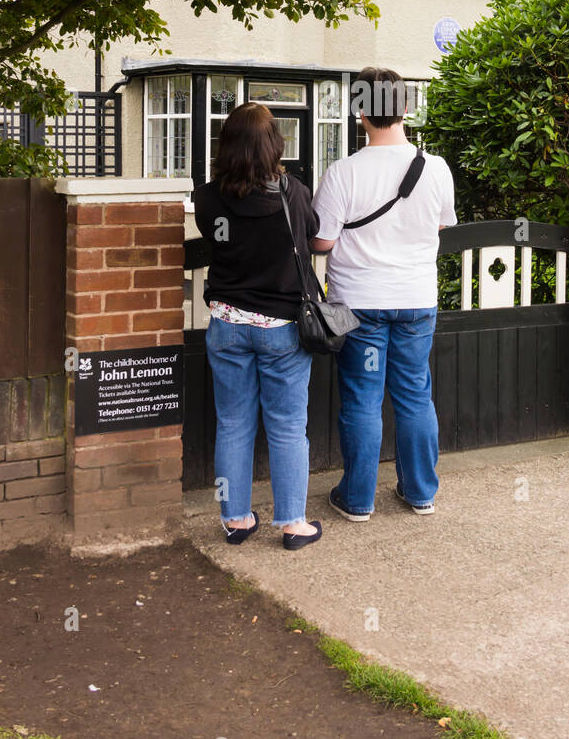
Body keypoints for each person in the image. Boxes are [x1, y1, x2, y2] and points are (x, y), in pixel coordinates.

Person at [311, 67, 457, 520]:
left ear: (360, 112)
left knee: (362, 397)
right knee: (414, 393)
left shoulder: (343, 172)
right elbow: (439, 223)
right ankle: (419, 494)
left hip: (360, 304)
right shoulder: (435, 168)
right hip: (416, 299)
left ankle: (357, 500)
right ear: (407, 108)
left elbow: (321, 242)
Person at [193, 102, 322, 551]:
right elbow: (313, 234)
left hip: (227, 323)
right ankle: (292, 524)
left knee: (232, 423)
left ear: (225, 146)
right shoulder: (294, 193)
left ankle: (236, 519)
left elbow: (216, 235)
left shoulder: (208, 198)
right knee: (287, 426)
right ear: (274, 146)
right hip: (282, 327)